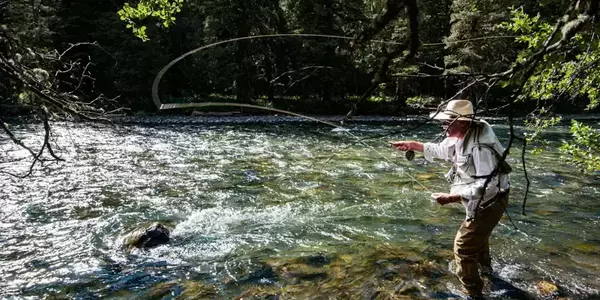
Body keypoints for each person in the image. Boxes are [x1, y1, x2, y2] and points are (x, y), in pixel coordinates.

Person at [392, 99, 510, 299]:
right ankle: (487, 273)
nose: (443, 125)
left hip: (491, 201)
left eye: (447, 121)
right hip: (484, 199)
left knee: (463, 247)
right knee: (478, 240)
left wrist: (453, 197)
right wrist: (413, 145)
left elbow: (488, 185)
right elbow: (442, 150)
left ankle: (473, 293)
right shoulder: (462, 134)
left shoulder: (480, 147)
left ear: (462, 122)